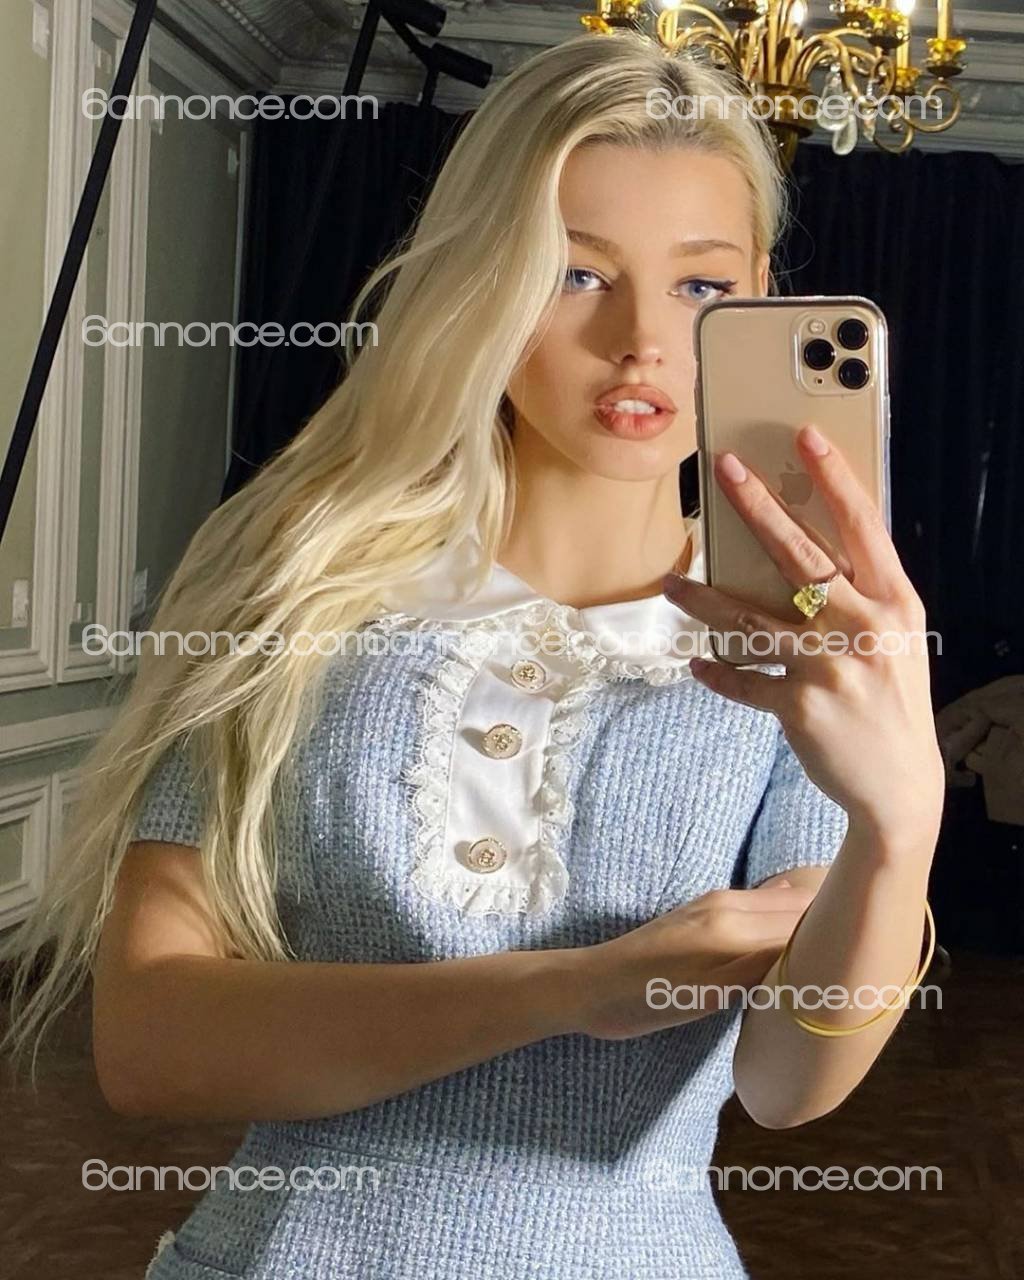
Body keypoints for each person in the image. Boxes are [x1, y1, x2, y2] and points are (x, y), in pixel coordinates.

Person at [1, 32, 945, 1280]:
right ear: (483, 279)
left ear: (759, 296)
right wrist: (571, 986)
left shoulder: (798, 646)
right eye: (573, 272)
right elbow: (150, 1041)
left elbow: (788, 1084)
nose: (641, 340)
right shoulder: (295, 591)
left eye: (699, 285)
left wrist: (899, 820)